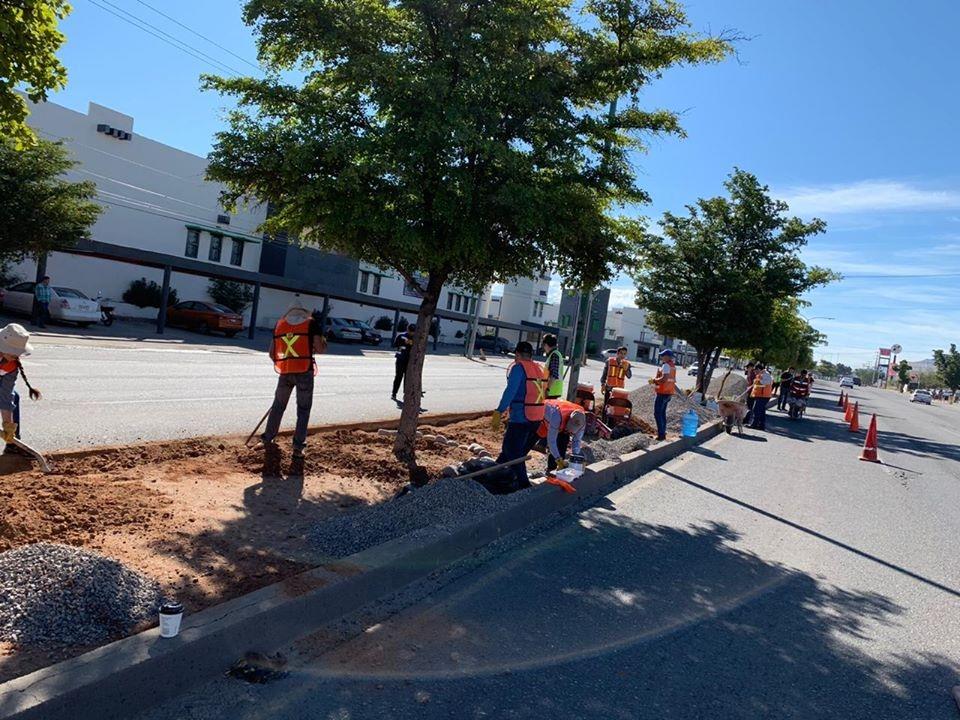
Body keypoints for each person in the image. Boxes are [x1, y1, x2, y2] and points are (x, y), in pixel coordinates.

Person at [261, 301, 327, 458]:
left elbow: (272, 353)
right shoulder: (311, 324)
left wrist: (286, 363)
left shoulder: (280, 325)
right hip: (304, 371)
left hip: (285, 372)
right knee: (303, 411)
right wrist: (323, 340)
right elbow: (320, 349)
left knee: (278, 406)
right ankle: (298, 447)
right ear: (305, 313)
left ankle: (268, 438)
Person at [492, 341, 546, 491]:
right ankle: (494, 472)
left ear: (517, 354)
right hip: (536, 418)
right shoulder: (537, 368)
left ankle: (524, 486)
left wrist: (499, 411)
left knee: (512, 451)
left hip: (521, 417)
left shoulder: (518, 368)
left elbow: (510, 391)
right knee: (511, 451)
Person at [0, 324, 42, 455]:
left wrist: (8, 427)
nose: (17, 356)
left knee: (14, 397)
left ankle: (12, 443)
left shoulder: (12, 365)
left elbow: (6, 395)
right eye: (14, 352)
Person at [534, 398, 587, 472]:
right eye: (568, 430)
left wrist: (576, 458)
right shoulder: (556, 416)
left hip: (560, 421)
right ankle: (551, 469)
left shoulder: (581, 422)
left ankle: (558, 470)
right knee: (532, 438)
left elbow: (577, 441)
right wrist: (558, 459)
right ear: (568, 420)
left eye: (571, 432)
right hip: (541, 413)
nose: (569, 432)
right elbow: (551, 442)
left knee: (563, 442)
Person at [649, 348, 677, 441]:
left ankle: (661, 435)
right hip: (668, 392)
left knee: (657, 413)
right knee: (662, 413)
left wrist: (654, 380)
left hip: (662, 392)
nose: (661, 357)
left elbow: (664, 379)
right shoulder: (672, 366)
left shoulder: (666, 365)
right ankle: (663, 432)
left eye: (663, 355)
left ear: (668, 357)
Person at [391, 324, 416, 401]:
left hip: (409, 361)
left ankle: (406, 395)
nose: (411, 333)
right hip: (400, 359)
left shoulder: (415, 338)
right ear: (407, 329)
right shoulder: (401, 336)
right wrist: (403, 343)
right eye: (410, 331)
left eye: (413, 332)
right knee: (398, 376)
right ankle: (394, 393)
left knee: (407, 378)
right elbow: (394, 345)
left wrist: (411, 343)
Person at [749, 363, 774, 430]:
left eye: (755, 370)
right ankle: (761, 425)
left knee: (756, 410)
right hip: (761, 395)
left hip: (764, 396)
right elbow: (756, 384)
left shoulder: (766, 374)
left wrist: (759, 379)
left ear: (759, 369)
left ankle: (754, 424)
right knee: (761, 411)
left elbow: (766, 383)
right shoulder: (760, 374)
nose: (755, 372)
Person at [542, 334, 564, 400]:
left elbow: (554, 375)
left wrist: (547, 389)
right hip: (553, 391)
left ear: (546, 345)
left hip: (551, 392)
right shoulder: (555, 354)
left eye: (543, 345)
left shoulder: (554, 355)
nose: (544, 348)